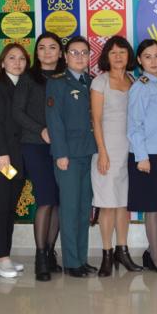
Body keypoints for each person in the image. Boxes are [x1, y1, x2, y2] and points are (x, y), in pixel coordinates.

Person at [12, 32, 64, 281]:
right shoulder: (28, 78)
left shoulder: (67, 77)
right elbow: (17, 112)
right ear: (36, 52)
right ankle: (40, 256)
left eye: (52, 47)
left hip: (62, 147)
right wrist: (40, 130)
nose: (47, 52)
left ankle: (51, 252)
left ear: (60, 52)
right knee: (45, 199)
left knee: (58, 201)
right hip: (34, 145)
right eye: (42, 47)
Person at [47, 36, 99, 277]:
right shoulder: (57, 83)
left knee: (83, 208)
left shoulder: (92, 82)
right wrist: (60, 153)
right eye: (74, 53)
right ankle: (71, 262)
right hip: (68, 155)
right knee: (69, 209)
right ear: (65, 57)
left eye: (84, 53)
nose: (79, 57)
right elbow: (54, 120)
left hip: (88, 152)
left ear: (89, 57)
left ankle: (81, 258)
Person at [127, 39, 157, 274]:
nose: (153, 61)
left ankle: (151, 250)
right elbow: (134, 125)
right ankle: (155, 255)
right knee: (153, 208)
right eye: (148, 56)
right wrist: (142, 156)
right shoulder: (140, 86)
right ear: (139, 60)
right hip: (147, 156)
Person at [92, 35, 141, 276]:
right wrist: (102, 152)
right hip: (108, 150)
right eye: (113, 52)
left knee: (123, 204)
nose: (118, 56)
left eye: (122, 52)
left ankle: (123, 250)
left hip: (129, 150)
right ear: (107, 57)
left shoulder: (134, 81)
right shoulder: (100, 82)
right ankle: (107, 254)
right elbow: (96, 119)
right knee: (107, 205)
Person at [0, 42, 30, 278]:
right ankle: (0, 259)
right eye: (12, 58)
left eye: (21, 59)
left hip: (17, 159)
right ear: (2, 63)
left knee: (10, 209)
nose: (17, 63)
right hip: (1, 159)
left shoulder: (24, 86)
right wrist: (2, 153)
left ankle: (5, 256)